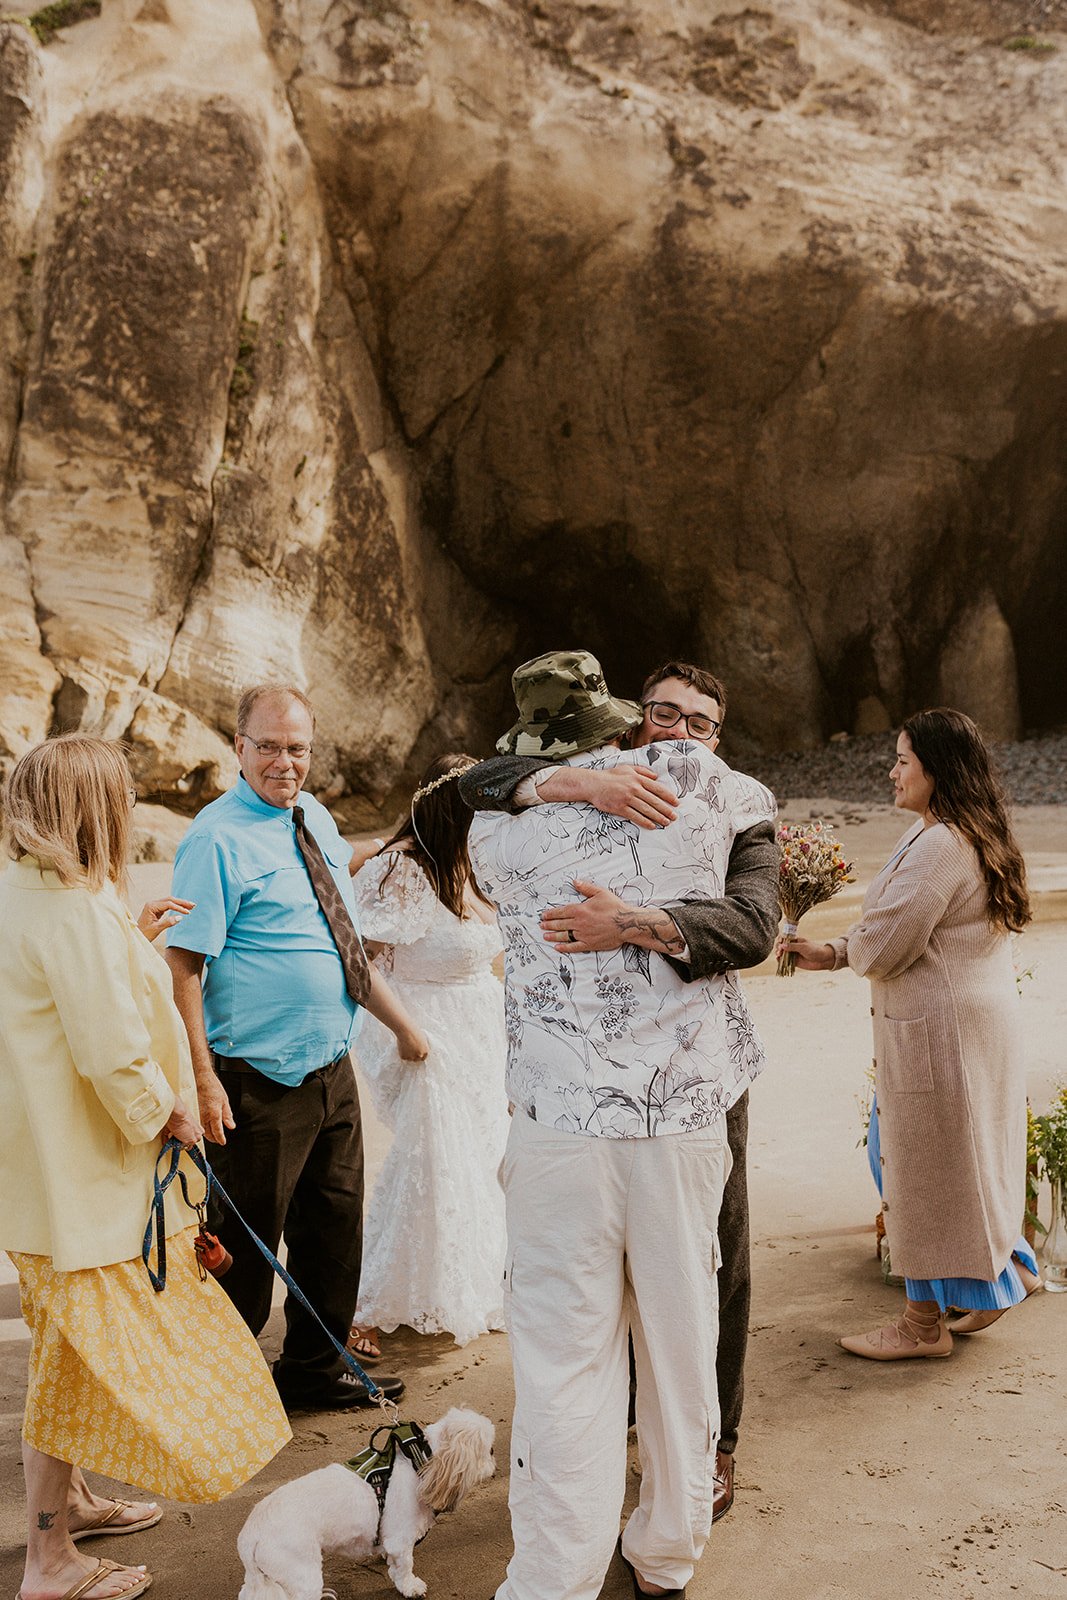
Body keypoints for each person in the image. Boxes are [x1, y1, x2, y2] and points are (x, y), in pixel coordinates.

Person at [467, 649, 777, 1600]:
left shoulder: (494, 824)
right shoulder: (733, 799)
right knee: (678, 1349)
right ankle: (665, 1557)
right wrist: (579, 785)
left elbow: (447, 798)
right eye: (661, 712)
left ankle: (553, 1576)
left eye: (693, 718)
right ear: (628, 718)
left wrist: (628, 921)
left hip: (567, 1121)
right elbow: (757, 922)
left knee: (564, 1360)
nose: (676, 731)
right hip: (664, 1121)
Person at [0, 735, 291, 1600]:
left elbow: (65, 1000)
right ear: (91, 810)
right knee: (70, 1369)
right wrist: (173, 1117)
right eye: (120, 796)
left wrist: (128, 939)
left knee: (66, 1354)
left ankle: (73, 1504)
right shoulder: (74, 916)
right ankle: (49, 1563)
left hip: (38, 1187)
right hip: (84, 1190)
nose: (129, 808)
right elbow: (112, 1055)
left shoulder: (28, 898)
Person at [164, 683, 415, 1411]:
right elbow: (183, 964)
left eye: (297, 749)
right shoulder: (214, 839)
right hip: (253, 1079)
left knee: (335, 1231)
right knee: (244, 1249)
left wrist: (396, 841)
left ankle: (311, 1369)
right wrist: (204, 1080)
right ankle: (223, 1395)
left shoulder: (312, 816)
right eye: (268, 747)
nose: (284, 762)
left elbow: (334, 889)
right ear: (238, 748)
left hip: (332, 1066)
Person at [781, 708, 1038, 1359]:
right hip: (969, 1025)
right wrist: (833, 950)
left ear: (935, 768)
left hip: (942, 1032)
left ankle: (922, 1325)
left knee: (915, 1168)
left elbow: (888, 945)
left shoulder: (939, 844)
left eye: (901, 760)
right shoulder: (962, 830)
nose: (890, 771)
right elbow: (894, 931)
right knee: (963, 1157)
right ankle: (1006, 1270)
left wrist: (844, 952)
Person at [348, 753, 510, 1351]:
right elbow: (359, 959)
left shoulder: (475, 863)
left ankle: (461, 1279)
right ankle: (365, 1302)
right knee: (431, 1159)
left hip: (479, 1031)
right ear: (454, 806)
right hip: (424, 1032)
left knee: (478, 1158)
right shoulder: (404, 871)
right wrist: (407, 1033)